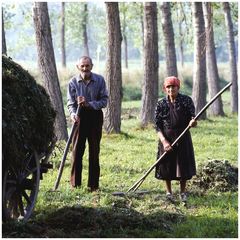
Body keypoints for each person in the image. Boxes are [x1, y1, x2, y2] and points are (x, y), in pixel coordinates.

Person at [67, 56, 108, 192]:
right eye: (82, 66)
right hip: (79, 118)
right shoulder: (73, 82)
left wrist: (89, 104)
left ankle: (93, 185)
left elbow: (104, 101)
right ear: (78, 67)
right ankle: (75, 185)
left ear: (92, 66)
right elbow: (71, 104)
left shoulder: (100, 80)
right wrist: (73, 114)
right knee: (77, 151)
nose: (85, 68)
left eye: (87, 66)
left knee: (94, 151)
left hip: (95, 117)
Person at [154, 76, 197, 202]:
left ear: (178, 87)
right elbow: (157, 125)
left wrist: (193, 122)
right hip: (166, 138)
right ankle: (169, 192)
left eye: (174, 86)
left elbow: (193, 118)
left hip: (183, 137)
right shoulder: (161, 104)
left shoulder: (186, 100)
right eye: (168, 87)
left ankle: (183, 192)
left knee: (182, 165)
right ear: (164, 89)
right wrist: (164, 141)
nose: (171, 89)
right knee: (166, 165)